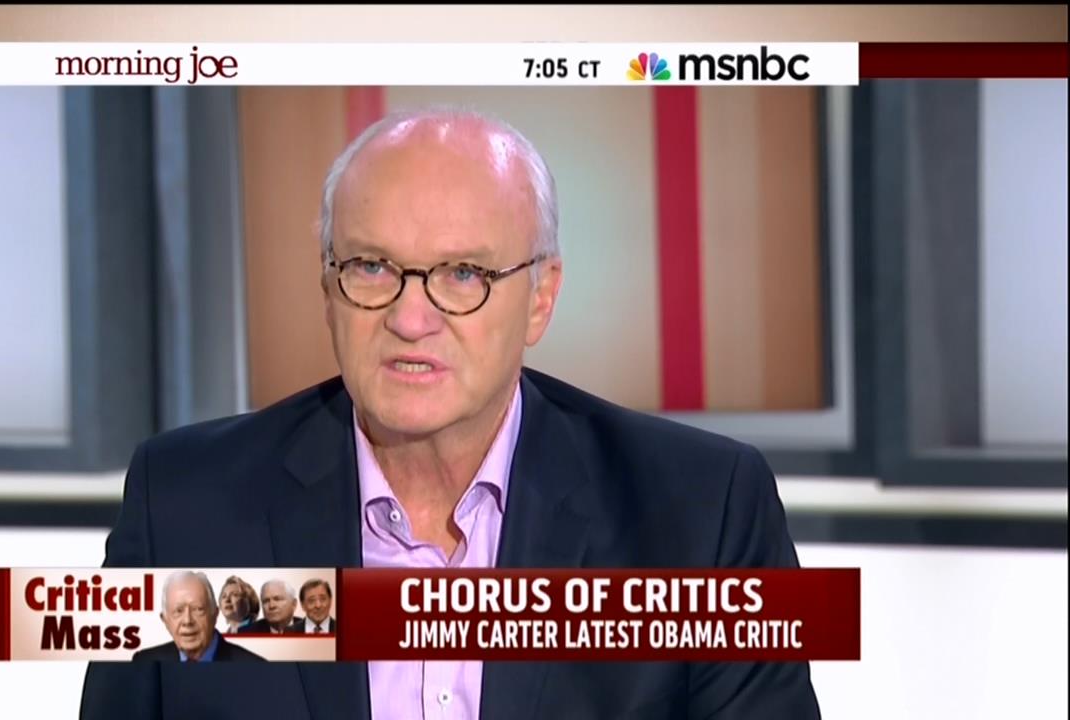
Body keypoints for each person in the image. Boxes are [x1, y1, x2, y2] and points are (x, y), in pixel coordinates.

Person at [81, 107, 820, 718]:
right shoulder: (184, 506)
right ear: (328, 288)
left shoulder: (699, 517)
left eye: (464, 273)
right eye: (372, 267)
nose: (410, 319)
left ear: (541, 297)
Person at [131, 570, 264, 663]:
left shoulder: (254, 666)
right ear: (165, 620)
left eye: (198, 609)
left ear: (215, 615)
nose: (187, 621)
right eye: (178, 611)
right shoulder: (144, 661)